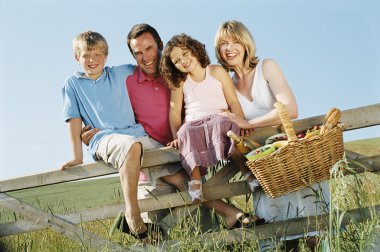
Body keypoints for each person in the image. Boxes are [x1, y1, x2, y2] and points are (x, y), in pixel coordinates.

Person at [82, 24, 264, 230]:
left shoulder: (180, 75)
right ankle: (233, 215)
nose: (145, 57)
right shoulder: (127, 80)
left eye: (149, 48)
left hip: (188, 159)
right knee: (152, 233)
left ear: (160, 45)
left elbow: (210, 101)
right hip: (152, 168)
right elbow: (102, 103)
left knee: (207, 231)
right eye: (137, 53)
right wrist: (95, 133)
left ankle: (231, 218)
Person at [214, 20, 330, 251]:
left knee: (314, 234)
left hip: (290, 161)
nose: (230, 48)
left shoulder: (266, 67)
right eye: (223, 43)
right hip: (262, 171)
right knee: (282, 238)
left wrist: (249, 123)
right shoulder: (225, 85)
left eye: (235, 41)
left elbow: (290, 108)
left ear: (246, 43)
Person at [61, 31, 162, 242]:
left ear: (106, 56)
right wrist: (77, 156)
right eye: (86, 55)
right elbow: (73, 119)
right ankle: (132, 215)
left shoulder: (122, 72)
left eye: (98, 54)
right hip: (103, 139)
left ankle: (227, 215)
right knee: (130, 146)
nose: (92, 60)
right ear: (77, 58)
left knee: (178, 171)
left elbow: (152, 70)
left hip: (136, 133)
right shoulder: (73, 83)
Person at [159, 33, 262, 206]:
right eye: (177, 61)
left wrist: (241, 122)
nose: (183, 61)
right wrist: (176, 136)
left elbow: (233, 101)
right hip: (194, 123)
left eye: (185, 54)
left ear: (194, 49)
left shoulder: (216, 71)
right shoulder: (180, 82)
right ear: (173, 66)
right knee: (186, 133)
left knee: (225, 128)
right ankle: (196, 181)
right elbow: (174, 112)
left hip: (218, 119)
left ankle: (248, 174)